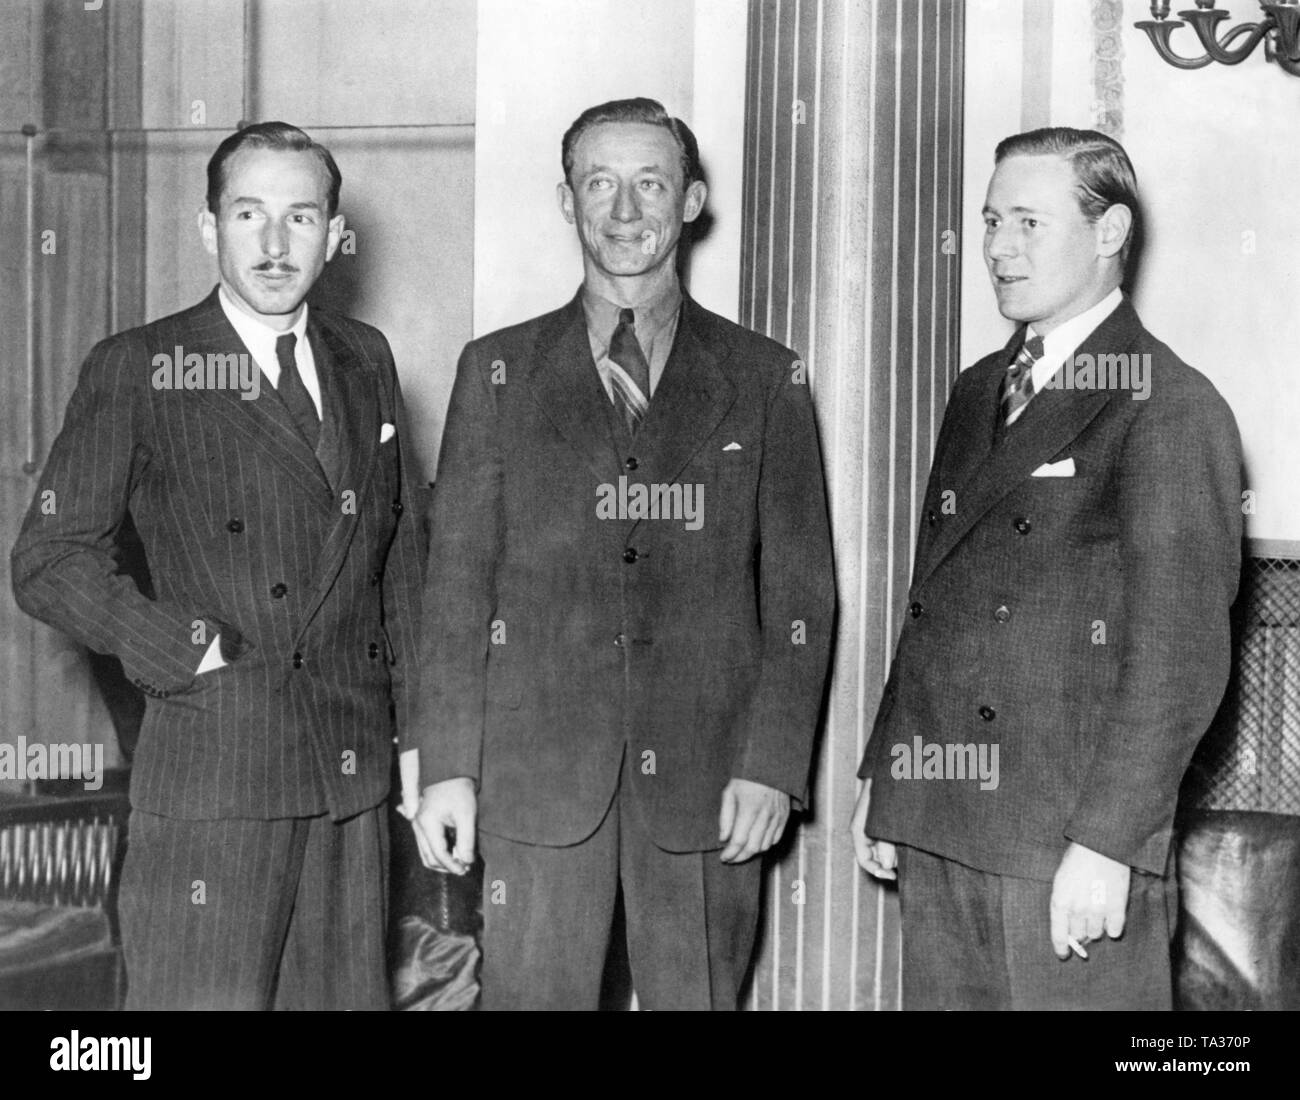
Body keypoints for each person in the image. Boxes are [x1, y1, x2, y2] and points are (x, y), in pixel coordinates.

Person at [410, 97, 835, 1010]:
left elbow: (803, 596)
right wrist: (447, 765)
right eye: (600, 183)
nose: (626, 209)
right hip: (535, 788)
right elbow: (454, 590)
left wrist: (774, 763)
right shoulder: (496, 372)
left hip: (710, 785)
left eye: (650, 183)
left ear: (692, 201)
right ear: (568, 203)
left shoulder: (768, 379)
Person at [11, 121, 424, 1010]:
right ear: (210, 229)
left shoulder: (366, 359)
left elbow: (401, 561)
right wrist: (183, 650)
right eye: (249, 214)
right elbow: (47, 557)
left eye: (302, 217)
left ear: (334, 232)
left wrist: (423, 739)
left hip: (349, 779)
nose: (277, 244)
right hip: (214, 774)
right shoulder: (141, 365)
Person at [852, 127, 1243, 1010]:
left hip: (1066, 843)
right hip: (943, 814)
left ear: (1109, 233)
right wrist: (889, 775)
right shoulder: (976, 386)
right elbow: (933, 601)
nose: (996, 248)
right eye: (992, 221)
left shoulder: (1167, 404)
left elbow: (1178, 660)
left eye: (1028, 222)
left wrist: (1107, 845)